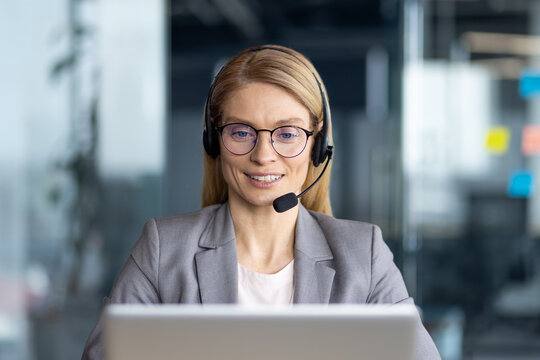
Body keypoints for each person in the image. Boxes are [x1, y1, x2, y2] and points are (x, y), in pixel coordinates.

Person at [81, 45, 441, 359]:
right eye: (241, 132)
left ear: (318, 144)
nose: (263, 155)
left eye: (287, 133)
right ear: (213, 139)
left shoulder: (365, 255)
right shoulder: (162, 251)